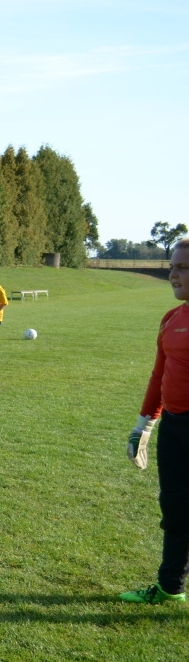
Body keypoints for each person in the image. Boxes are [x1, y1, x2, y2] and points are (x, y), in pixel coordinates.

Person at [121, 238, 189, 604]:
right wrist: (144, 424)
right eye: (172, 267)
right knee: (175, 507)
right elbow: (159, 375)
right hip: (175, 427)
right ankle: (170, 587)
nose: (173, 274)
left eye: (182, 268)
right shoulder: (171, 318)